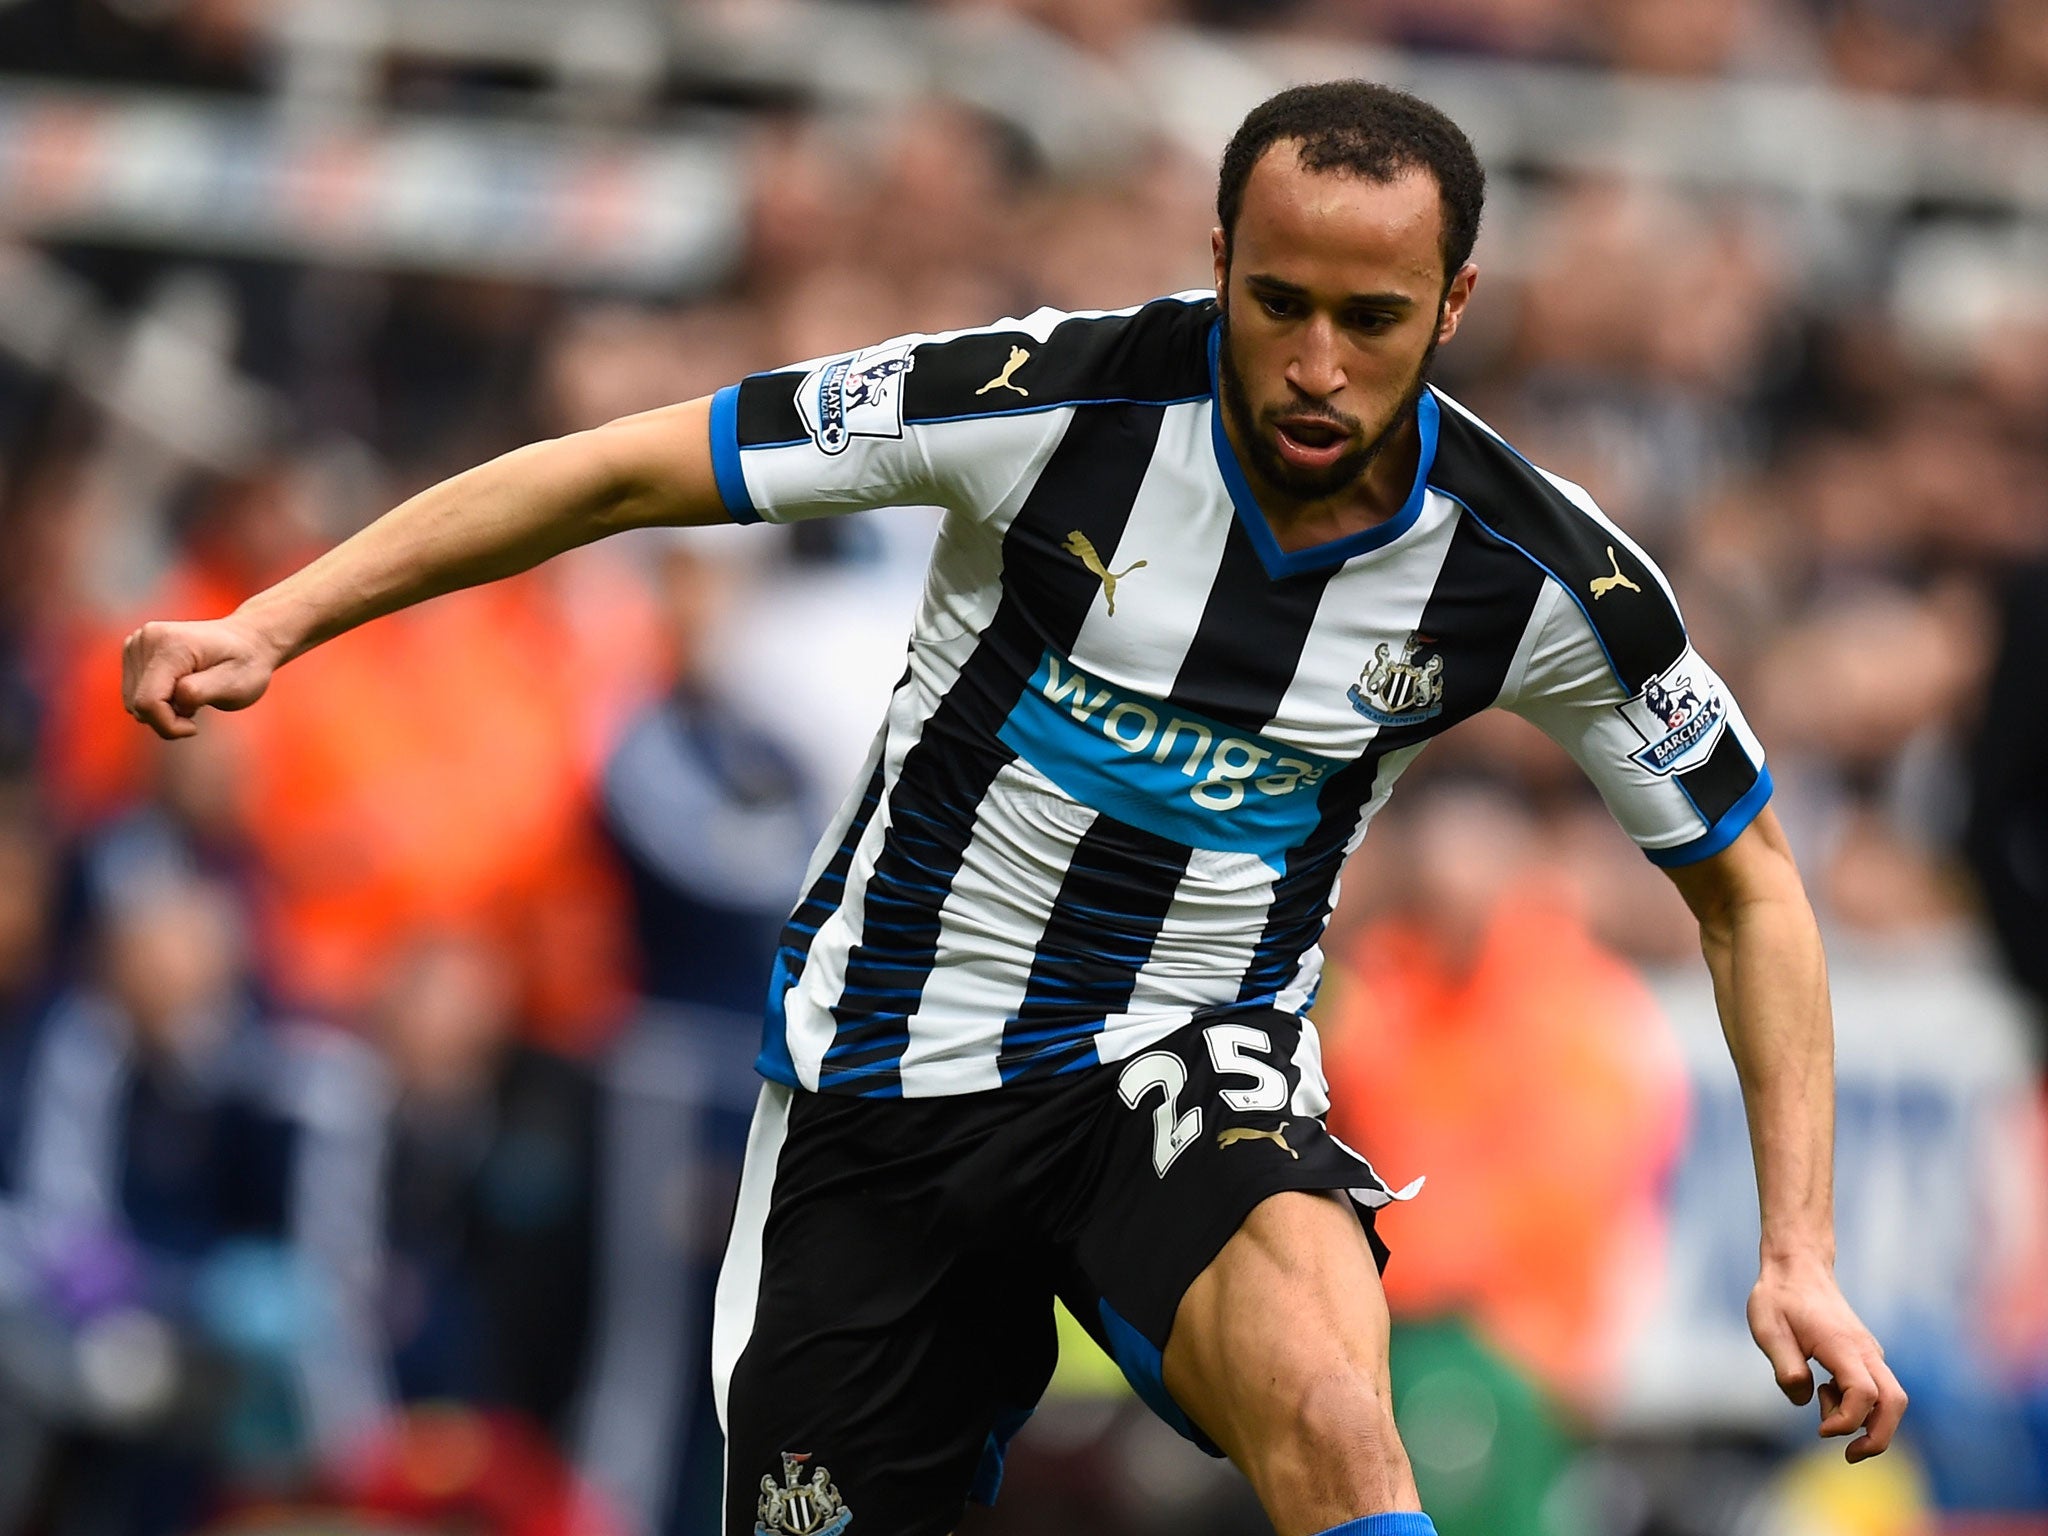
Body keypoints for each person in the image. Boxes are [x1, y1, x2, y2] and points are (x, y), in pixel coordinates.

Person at [121, 80, 1905, 1536]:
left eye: (1371, 321)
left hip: (1177, 1061)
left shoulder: (1540, 575)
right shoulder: (1041, 403)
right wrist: (277, 617)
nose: (1312, 365)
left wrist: (1799, 1249)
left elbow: (1750, 884)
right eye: (1275, 303)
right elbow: (622, 468)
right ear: (1218, 259)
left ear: (1454, 307)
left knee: (1338, 1422)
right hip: (881, 1081)